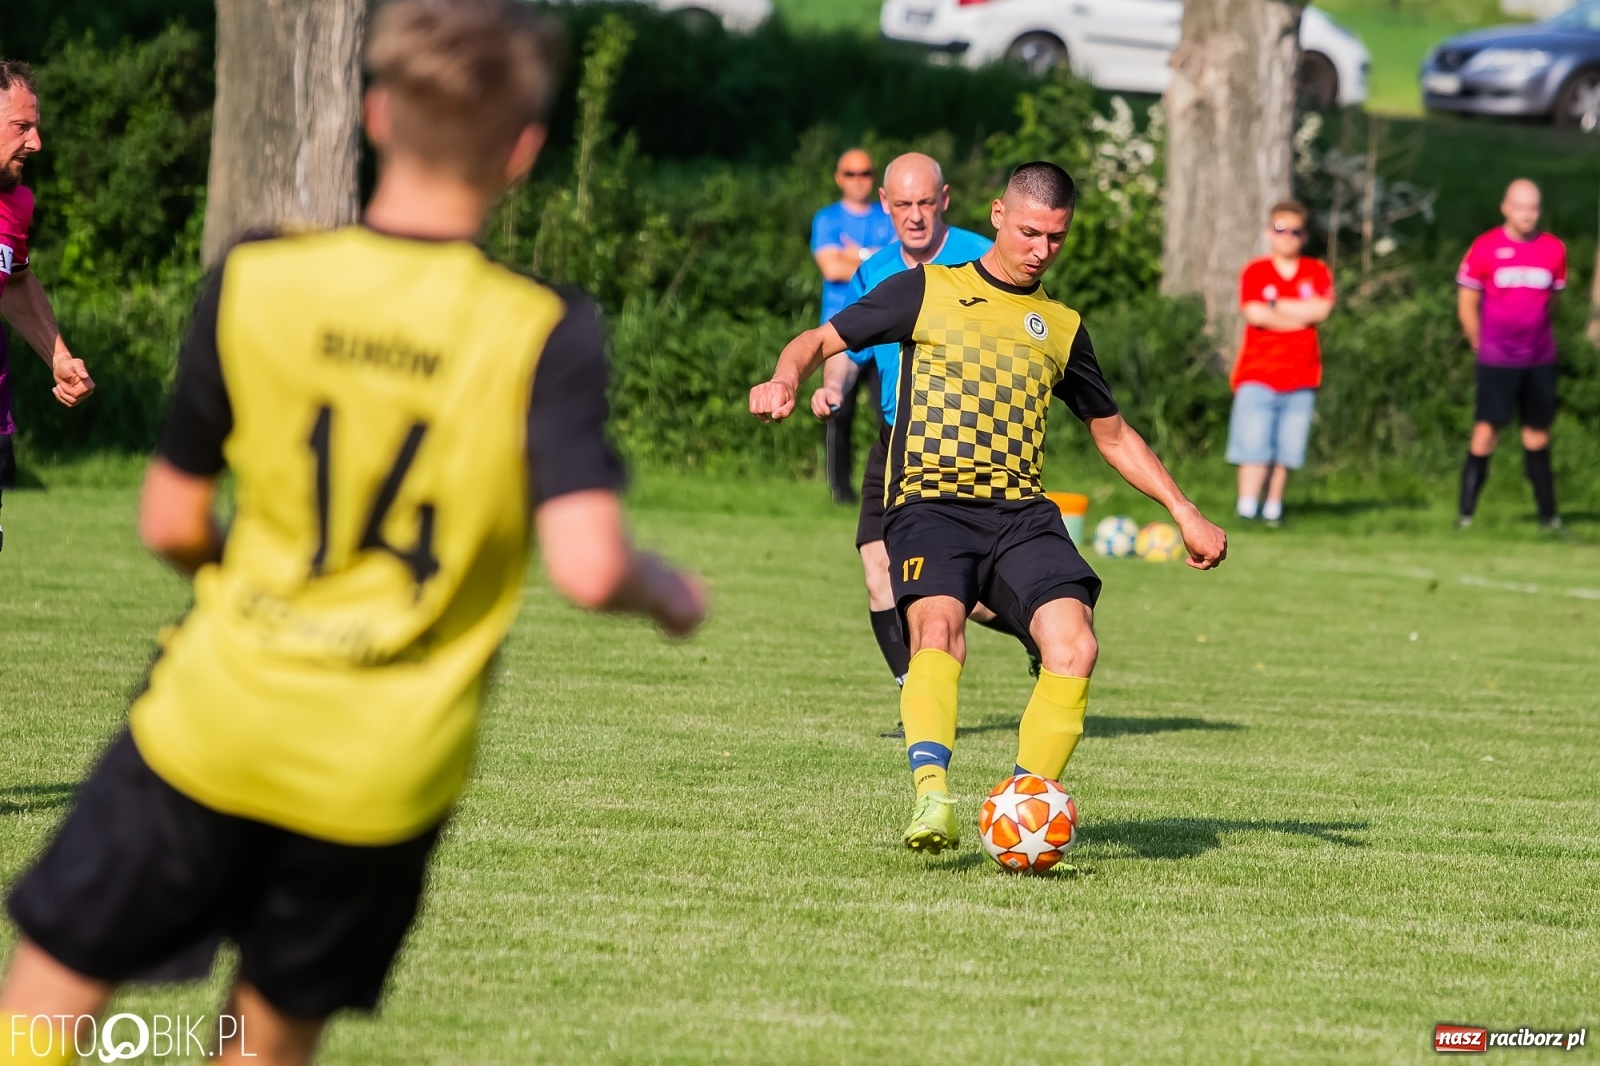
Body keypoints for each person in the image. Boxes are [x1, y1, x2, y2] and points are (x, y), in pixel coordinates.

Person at [0, 3, 704, 1063]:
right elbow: (592, 567)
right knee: (263, 1040)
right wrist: (671, 593)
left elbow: (171, 520)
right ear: (522, 152)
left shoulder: (257, 278)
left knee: (45, 1001)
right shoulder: (543, 329)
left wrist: (260, 590)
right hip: (380, 773)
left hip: (216, 718)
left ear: (374, 115)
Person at [751, 162, 1226, 853]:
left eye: (1056, 237)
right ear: (998, 215)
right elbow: (821, 339)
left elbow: (1113, 434)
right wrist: (785, 378)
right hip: (931, 503)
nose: (1041, 249)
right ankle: (932, 797)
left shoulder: (1060, 326)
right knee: (938, 629)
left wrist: (1183, 509)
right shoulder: (926, 288)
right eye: (1030, 232)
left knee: (1075, 643)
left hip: (1021, 512)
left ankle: (1026, 804)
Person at [808, 152, 1017, 738]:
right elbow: (847, 348)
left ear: (944, 199)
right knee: (878, 568)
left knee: (959, 589)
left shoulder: (982, 257)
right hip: (895, 439)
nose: (916, 216)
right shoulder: (875, 270)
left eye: (926, 202)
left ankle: (1037, 626)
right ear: (885, 205)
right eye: (903, 204)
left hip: (963, 443)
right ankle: (915, 703)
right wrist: (832, 388)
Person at [0, 60, 96, 554]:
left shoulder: (15, 205)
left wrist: (57, 356)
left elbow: (15, 283)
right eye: (22, 127)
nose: (36, 142)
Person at [1456, 179, 1566, 531]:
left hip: (1539, 357)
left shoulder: (1553, 250)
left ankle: (1549, 517)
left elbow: (1553, 301)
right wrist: (1479, 342)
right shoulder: (1485, 247)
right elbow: (1467, 302)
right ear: (1505, 208)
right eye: (1520, 207)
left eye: (1533, 208)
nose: (1527, 215)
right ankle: (1465, 516)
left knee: (1537, 435)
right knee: (1486, 432)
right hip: (1498, 359)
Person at [1226, 201, 1334, 528]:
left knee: (1286, 450)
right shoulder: (1256, 270)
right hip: (1257, 373)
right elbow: (1255, 313)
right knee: (1253, 446)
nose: (1288, 236)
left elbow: (1321, 310)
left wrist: (1275, 305)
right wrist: (1299, 317)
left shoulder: (1316, 270)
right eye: (1281, 229)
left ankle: (1274, 509)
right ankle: (1247, 508)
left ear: (1305, 236)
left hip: (1302, 375)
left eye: (1295, 231)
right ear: (1269, 232)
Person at [811, 148, 894, 504]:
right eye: (850, 173)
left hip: (884, 331)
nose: (858, 180)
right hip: (840, 331)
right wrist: (872, 255)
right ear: (838, 177)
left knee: (888, 413)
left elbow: (897, 268)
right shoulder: (827, 219)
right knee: (838, 411)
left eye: (865, 173)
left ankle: (890, 489)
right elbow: (831, 268)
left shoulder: (889, 215)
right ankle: (841, 493)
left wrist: (853, 254)